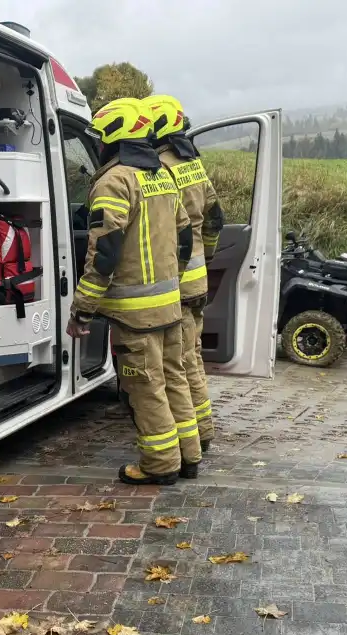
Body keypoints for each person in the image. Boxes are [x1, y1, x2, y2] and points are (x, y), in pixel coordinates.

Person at [65, 97, 201, 485]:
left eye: (100, 138)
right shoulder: (161, 176)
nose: (98, 144)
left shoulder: (114, 181)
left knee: (146, 388)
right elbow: (185, 239)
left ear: (112, 138)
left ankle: (160, 464)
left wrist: (82, 309)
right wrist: (171, 282)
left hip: (135, 314)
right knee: (174, 380)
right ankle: (189, 457)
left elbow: (105, 253)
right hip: (170, 305)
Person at [143, 95, 224, 451]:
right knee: (193, 355)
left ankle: (196, 434)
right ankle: (201, 428)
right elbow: (215, 218)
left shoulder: (160, 166)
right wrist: (208, 255)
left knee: (179, 362)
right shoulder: (193, 163)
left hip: (175, 283)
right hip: (197, 279)